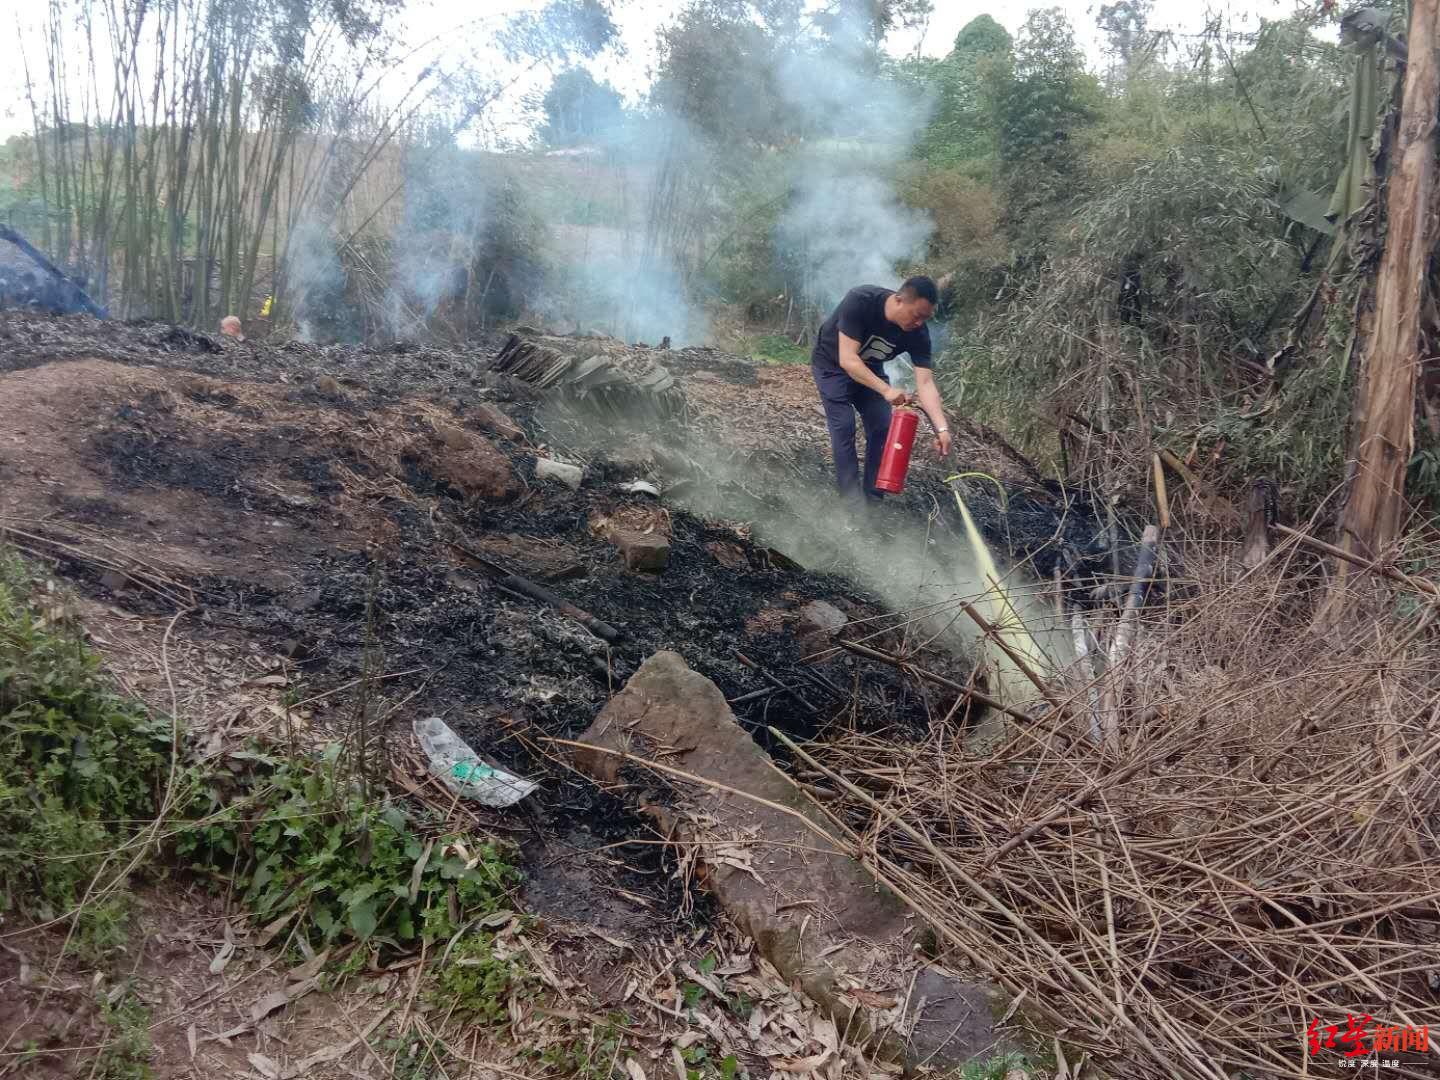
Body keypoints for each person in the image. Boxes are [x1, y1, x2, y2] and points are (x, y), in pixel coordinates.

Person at [810, 276, 951, 504]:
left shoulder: (918, 333)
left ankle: (873, 499)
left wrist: (941, 429)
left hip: (870, 368)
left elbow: (925, 383)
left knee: (883, 426)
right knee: (844, 426)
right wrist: (886, 390)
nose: (919, 323)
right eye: (917, 316)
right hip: (831, 365)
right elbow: (848, 359)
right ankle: (852, 504)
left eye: (925, 318)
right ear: (898, 300)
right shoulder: (861, 300)